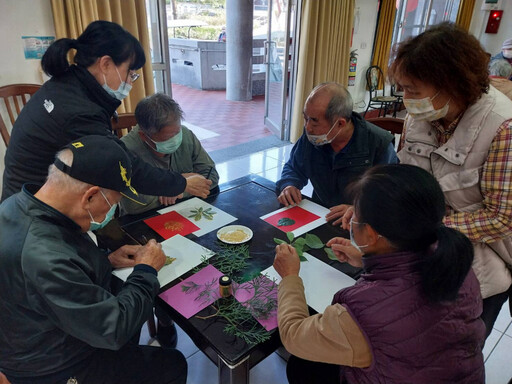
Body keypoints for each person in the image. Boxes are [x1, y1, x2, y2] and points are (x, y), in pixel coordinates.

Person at [0, 135, 187, 384]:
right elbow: (114, 329)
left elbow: (64, 268)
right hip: (52, 365)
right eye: (113, 204)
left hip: (36, 329)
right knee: (172, 364)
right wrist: (146, 270)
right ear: (89, 197)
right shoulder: (45, 256)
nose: (112, 212)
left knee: (124, 295)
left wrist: (107, 260)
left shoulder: (16, 205)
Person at [274, 164, 485, 384]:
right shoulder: (454, 262)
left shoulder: (363, 314)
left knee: (302, 368)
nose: (350, 218)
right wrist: (365, 258)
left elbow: (294, 336)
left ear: (372, 234)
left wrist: (289, 276)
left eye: (354, 213)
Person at [385, 22, 512, 338]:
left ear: (450, 84)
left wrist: (428, 228)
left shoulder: (503, 128)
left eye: (412, 90)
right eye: (402, 88)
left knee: (458, 346)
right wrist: (374, 204)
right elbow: (408, 175)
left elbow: (500, 218)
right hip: (434, 251)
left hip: (490, 260)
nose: (405, 100)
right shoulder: (422, 115)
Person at [1, 20, 210, 202]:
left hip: (25, 198)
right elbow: (122, 167)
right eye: (130, 73)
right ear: (106, 64)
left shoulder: (68, 86)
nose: (130, 82)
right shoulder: (79, 112)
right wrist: (181, 183)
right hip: (31, 212)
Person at [276, 82, 397, 224]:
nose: (307, 127)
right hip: (321, 214)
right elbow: (294, 168)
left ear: (340, 123)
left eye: (314, 122)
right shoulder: (313, 138)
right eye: (305, 118)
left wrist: (358, 209)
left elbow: (389, 198)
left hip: (359, 223)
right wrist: (289, 185)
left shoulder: (379, 144)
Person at [120, 93, 219, 215]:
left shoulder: (186, 135)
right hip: (143, 219)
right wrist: (181, 184)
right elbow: (133, 204)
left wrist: (177, 190)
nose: (175, 139)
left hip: (187, 210)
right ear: (144, 136)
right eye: (168, 137)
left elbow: (211, 176)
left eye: (177, 132)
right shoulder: (125, 151)